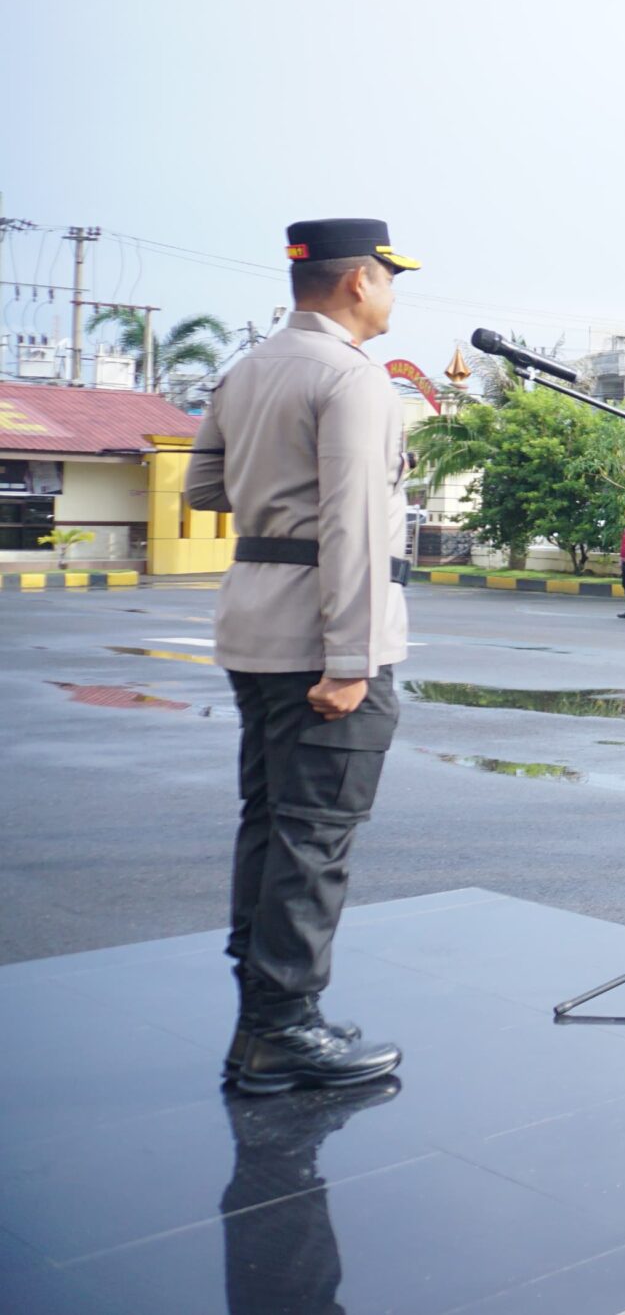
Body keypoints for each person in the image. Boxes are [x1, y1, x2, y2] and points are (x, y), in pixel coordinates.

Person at [183, 217, 418, 1092]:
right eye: (391, 279)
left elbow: (208, 486)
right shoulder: (351, 379)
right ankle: (284, 1028)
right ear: (359, 281)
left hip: (254, 625)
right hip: (326, 638)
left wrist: (274, 497)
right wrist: (351, 661)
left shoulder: (248, 368)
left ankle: (262, 1022)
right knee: (315, 838)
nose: (394, 295)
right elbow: (355, 527)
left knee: (272, 824)